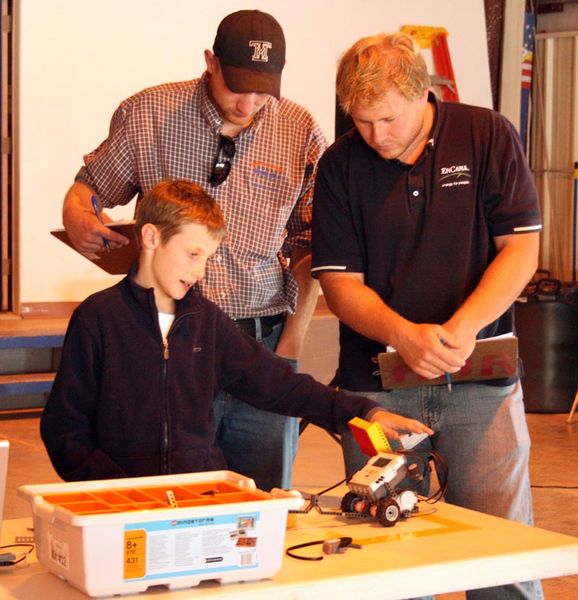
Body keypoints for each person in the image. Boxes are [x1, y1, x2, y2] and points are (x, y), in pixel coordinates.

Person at [311, 33, 543, 599]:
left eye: (387, 119)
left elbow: (521, 249)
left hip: (480, 385)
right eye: (361, 122)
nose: (375, 136)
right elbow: (340, 285)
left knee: (501, 559)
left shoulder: (487, 135)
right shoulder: (340, 164)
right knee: (389, 566)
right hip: (379, 392)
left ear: (423, 95)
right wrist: (403, 336)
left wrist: (461, 330)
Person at [59, 10, 328, 490]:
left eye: (262, 91)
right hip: (169, 347)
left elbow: (312, 246)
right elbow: (89, 190)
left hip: (259, 341)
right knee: (164, 506)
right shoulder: (148, 113)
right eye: (236, 87)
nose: (247, 104)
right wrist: (78, 216)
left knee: (256, 516)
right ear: (211, 62)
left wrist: (290, 345)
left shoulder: (299, 129)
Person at [40, 180, 431, 483]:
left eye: (206, 259)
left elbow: (280, 385)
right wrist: (111, 487)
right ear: (151, 237)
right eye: (193, 254)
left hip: (197, 501)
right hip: (119, 506)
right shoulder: (97, 320)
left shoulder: (207, 323)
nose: (199, 271)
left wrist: (364, 411)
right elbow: (64, 429)